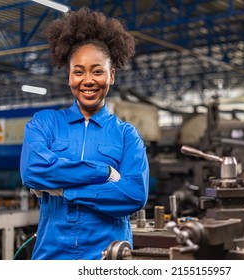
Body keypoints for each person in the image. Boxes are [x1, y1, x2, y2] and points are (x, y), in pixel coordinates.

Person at [20, 7, 149, 260]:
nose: (87, 80)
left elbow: (133, 194)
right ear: (69, 76)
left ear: (111, 76)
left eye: (97, 71)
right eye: (78, 71)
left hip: (107, 255)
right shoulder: (45, 123)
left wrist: (67, 191)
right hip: (52, 254)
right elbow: (33, 170)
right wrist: (104, 173)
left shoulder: (127, 135)